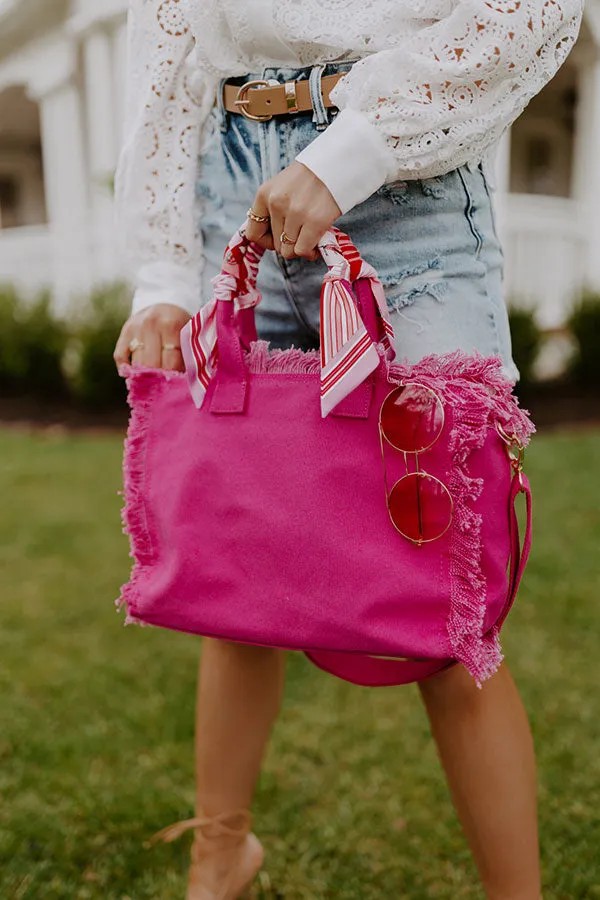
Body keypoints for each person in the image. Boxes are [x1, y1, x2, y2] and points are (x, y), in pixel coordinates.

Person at [113, 2, 583, 898]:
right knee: (231, 575)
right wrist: (164, 270)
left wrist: (351, 152)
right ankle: (218, 860)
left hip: (411, 181)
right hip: (231, 178)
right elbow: (168, 33)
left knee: (444, 602)